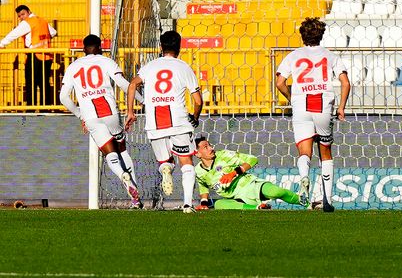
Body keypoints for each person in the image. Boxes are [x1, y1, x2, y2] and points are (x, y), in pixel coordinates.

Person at [275, 17, 351, 213]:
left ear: (302, 35)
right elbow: (345, 83)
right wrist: (341, 107)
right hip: (323, 104)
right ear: (321, 35)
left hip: (301, 104)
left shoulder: (293, 55)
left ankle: (303, 178)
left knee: (304, 151)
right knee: (325, 152)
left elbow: (279, 82)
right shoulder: (331, 56)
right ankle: (326, 199)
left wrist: (291, 97)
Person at [60, 34, 144, 208]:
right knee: (121, 149)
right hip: (109, 111)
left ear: (84, 49)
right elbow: (122, 83)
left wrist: (79, 115)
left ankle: (123, 176)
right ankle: (135, 197)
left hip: (90, 116)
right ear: (100, 47)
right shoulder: (106, 61)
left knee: (109, 154)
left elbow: (63, 97)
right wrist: (142, 100)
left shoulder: (73, 66)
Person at [125, 30, 202, 214]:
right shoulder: (184, 67)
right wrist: (196, 117)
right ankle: (187, 205)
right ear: (179, 47)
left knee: (165, 162)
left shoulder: (149, 67)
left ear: (161, 46)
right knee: (186, 161)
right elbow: (198, 100)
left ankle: (166, 168)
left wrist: (130, 112)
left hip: (155, 122)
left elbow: (132, 84)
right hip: (179, 120)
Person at [193, 136, 308, 210]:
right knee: (219, 205)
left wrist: (233, 173)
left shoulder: (224, 155)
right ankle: (257, 208)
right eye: (205, 147)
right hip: (235, 198)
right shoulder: (198, 171)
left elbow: (253, 159)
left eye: (210, 145)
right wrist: (204, 204)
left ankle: (305, 202)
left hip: (250, 185)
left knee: (275, 192)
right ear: (197, 154)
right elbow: (203, 187)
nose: (211, 148)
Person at [0, 5, 57, 107]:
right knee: (44, 83)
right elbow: (53, 32)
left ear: (29, 12)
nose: (21, 17)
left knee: (31, 82)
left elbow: (14, 34)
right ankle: (47, 106)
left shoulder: (27, 23)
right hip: (47, 55)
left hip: (34, 55)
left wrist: (2, 44)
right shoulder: (42, 20)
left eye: (23, 14)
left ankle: (31, 107)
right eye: (19, 16)